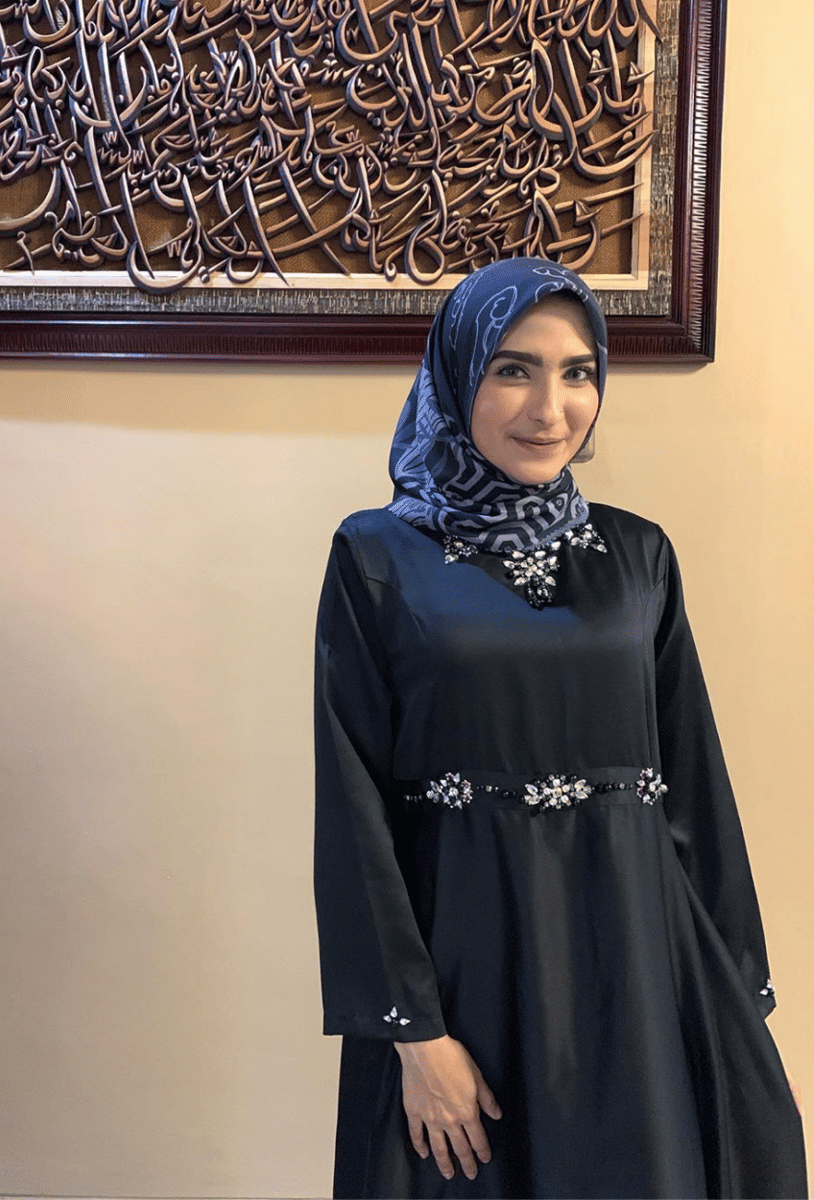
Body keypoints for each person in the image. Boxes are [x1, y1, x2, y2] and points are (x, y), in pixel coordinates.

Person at [313, 258, 807, 1199]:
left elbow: (694, 786)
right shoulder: (376, 556)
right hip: (467, 973)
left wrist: (740, 998)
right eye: (513, 369)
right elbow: (353, 808)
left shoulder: (639, 555)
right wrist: (414, 1033)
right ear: (459, 372)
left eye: (577, 372)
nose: (551, 409)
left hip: (640, 969)